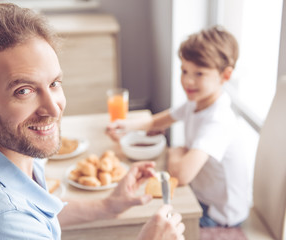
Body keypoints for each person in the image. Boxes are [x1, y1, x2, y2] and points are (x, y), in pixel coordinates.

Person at [0, 3, 185, 240]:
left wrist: (108, 206)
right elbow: (16, 218)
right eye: (24, 91)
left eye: (54, 84)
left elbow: (36, 210)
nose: (53, 109)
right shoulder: (4, 227)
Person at [107, 26, 254, 228]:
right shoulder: (198, 102)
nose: (188, 80)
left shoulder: (218, 121)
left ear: (225, 75)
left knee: (141, 220)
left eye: (199, 73)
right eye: (184, 70)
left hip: (219, 217)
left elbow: (181, 175)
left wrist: (176, 149)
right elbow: (156, 121)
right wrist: (125, 126)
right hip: (202, 197)